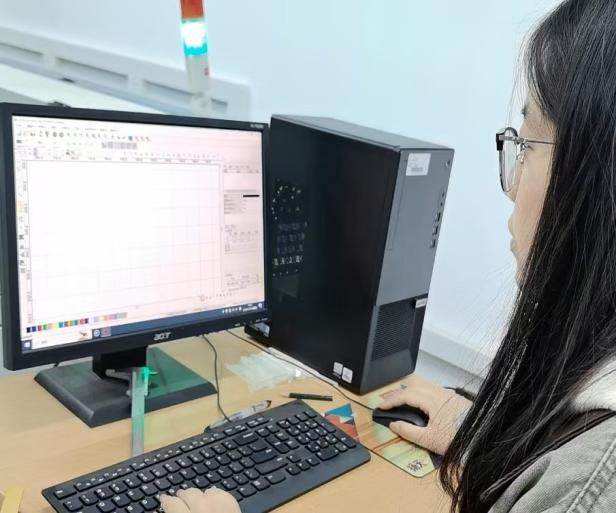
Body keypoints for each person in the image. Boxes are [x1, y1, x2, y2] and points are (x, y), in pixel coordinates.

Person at [160, 0, 616, 511]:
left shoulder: (590, 483)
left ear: (595, 181)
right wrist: (490, 437)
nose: (511, 188)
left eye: (526, 145)